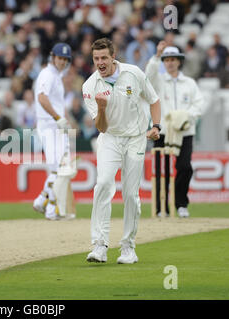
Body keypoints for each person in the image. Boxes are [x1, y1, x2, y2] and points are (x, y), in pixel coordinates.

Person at [82, 38, 161, 264]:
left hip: (136, 138)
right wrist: (102, 108)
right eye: (96, 58)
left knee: (130, 194)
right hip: (109, 138)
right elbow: (101, 127)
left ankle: (128, 248)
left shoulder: (133, 73)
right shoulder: (90, 86)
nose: (100, 63)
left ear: (113, 56)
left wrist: (156, 126)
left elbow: (154, 100)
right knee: (104, 184)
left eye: (104, 57)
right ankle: (99, 245)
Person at [145, 41, 204, 218]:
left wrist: (185, 118)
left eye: (173, 59)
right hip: (162, 131)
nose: (170, 62)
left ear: (179, 61)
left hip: (184, 132)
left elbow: (199, 105)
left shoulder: (189, 83)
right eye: (166, 59)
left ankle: (181, 204)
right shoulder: (159, 81)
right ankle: (160, 207)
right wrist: (156, 56)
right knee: (161, 170)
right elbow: (148, 75)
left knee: (185, 167)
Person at [32, 42, 73, 221]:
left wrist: (61, 118)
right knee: (59, 168)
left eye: (65, 59)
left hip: (54, 125)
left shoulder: (55, 75)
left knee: (59, 167)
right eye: (60, 58)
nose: (62, 61)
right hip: (50, 126)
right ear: (52, 56)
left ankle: (42, 200)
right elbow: (42, 98)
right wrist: (58, 118)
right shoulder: (48, 74)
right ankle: (50, 208)